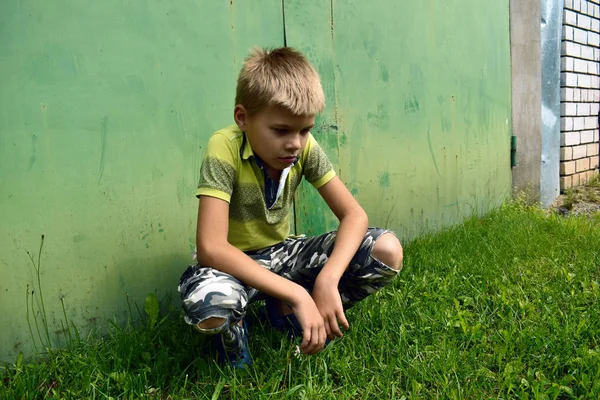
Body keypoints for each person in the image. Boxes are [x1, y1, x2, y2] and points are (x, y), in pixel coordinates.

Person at [178, 47, 403, 368]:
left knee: (386, 249)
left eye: (305, 130)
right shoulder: (223, 147)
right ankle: (235, 340)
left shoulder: (303, 147)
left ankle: (282, 314)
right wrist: (298, 293)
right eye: (281, 130)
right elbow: (211, 247)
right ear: (242, 118)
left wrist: (327, 281)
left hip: (282, 253)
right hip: (231, 264)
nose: (295, 142)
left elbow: (354, 215)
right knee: (211, 303)